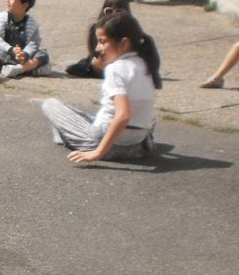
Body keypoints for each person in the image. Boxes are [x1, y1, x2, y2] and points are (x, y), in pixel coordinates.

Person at [41, 11, 161, 163]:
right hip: (137, 146)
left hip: (104, 143)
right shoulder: (144, 64)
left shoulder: (115, 69)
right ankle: (69, 136)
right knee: (83, 117)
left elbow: (123, 115)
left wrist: (97, 153)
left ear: (123, 43)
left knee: (51, 105)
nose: (98, 48)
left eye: (103, 42)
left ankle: (72, 140)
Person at [0, 0, 50, 78]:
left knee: (43, 53)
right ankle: (30, 68)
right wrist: (11, 50)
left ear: (24, 5)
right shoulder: (0, 19)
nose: (7, 1)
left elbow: (33, 43)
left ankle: (19, 69)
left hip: (22, 57)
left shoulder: (32, 24)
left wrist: (24, 54)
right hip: (5, 54)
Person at [64, 0, 132, 79]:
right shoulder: (97, 29)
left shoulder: (131, 31)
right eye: (109, 11)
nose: (114, 15)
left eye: (119, 12)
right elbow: (96, 54)